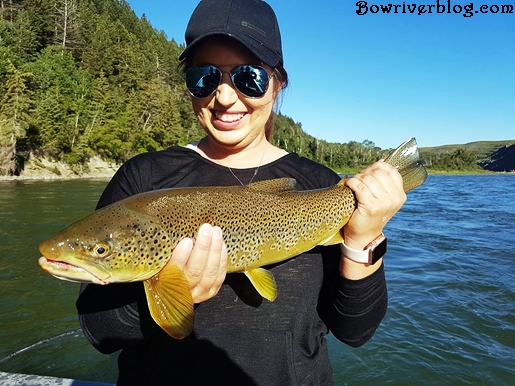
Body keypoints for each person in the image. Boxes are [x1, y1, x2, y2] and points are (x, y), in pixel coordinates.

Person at [76, 0, 406, 385]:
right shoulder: (143, 178)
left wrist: (363, 240)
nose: (225, 97)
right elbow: (99, 331)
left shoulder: (322, 185)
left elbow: (355, 331)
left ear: (277, 83)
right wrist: (175, 297)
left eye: (249, 77)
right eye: (204, 76)